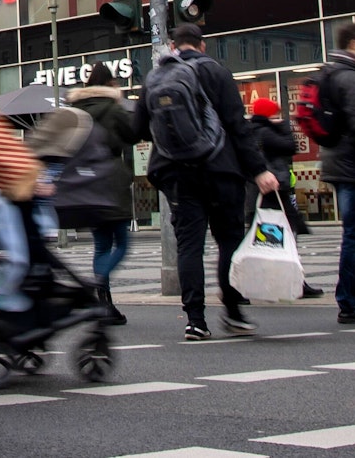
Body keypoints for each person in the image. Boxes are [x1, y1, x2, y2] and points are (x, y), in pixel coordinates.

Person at [136, 23, 277, 341]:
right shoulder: (217, 72)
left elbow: (140, 128)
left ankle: (195, 321)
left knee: (189, 246)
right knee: (229, 241)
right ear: (202, 44)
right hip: (221, 169)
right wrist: (258, 170)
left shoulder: (157, 77)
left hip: (177, 173)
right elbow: (236, 125)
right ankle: (233, 312)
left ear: (173, 45)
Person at [62, 63, 138, 325]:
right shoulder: (114, 108)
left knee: (101, 244)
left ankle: (104, 304)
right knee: (122, 243)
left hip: (87, 185)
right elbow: (131, 136)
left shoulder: (76, 111)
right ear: (109, 84)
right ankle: (98, 284)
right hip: (111, 182)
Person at [318, 23, 355, 324]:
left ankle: (352, 294)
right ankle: (349, 301)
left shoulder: (330, 73)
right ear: (354, 44)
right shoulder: (350, 78)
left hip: (337, 162)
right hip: (352, 166)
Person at [245, 97, 322, 299]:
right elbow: (290, 146)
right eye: (276, 114)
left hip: (263, 195)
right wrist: (285, 125)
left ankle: (288, 282)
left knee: (271, 241)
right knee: (284, 238)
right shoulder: (266, 132)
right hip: (274, 194)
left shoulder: (255, 132)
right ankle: (294, 283)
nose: (279, 118)